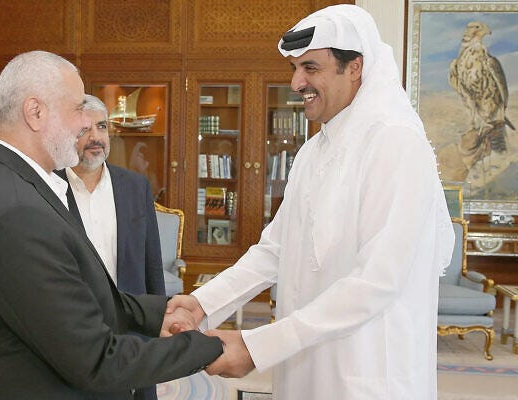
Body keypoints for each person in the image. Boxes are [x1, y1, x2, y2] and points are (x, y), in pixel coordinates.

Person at [168, 5, 455, 400]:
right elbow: (275, 249)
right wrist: (202, 302)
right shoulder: (313, 151)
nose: (296, 81)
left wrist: (257, 346)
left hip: (367, 369)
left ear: (354, 67)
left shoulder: (395, 142)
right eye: (294, 68)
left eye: (311, 68)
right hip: (305, 362)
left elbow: (377, 280)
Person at [0, 50, 222, 400]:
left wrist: (158, 313)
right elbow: (95, 361)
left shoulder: (9, 179)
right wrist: (209, 348)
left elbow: (75, 295)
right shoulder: (17, 211)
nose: (82, 125)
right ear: (35, 112)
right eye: (76, 109)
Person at [56, 94, 166, 400]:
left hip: (129, 321)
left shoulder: (135, 186)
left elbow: (151, 264)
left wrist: (157, 321)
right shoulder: (48, 188)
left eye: (102, 127)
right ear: (67, 136)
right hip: (73, 327)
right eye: (84, 129)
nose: (95, 138)